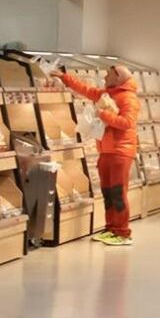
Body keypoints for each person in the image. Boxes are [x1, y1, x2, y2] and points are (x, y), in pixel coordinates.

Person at [57, 63, 140, 247]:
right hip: (106, 150)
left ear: (118, 77)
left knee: (118, 193)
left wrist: (103, 114)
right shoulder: (107, 94)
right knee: (108, 192)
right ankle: (111, 228)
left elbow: (127, 123)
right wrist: (64, 77)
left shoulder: (129, 98)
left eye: (108, 75)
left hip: (120, 152)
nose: (104, 77)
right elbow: (87, 90)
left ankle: (122, 232)